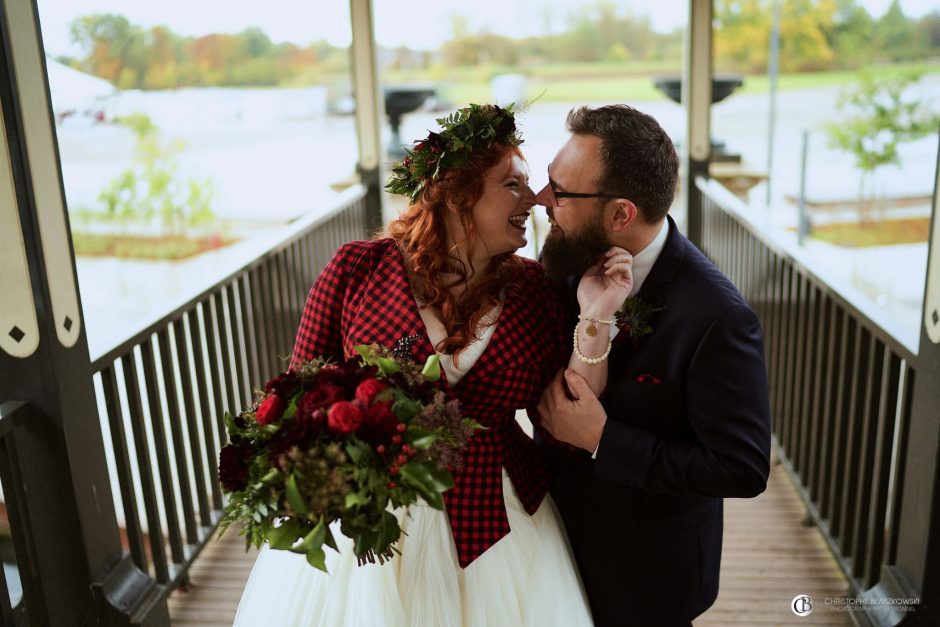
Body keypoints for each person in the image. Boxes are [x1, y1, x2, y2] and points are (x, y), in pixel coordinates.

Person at [233, 104, 619, 626]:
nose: (532, 199)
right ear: (458, 194)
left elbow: (571, 410)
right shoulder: (356, 270)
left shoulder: (535, 290)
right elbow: (299, 395)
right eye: (512, 184)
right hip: (374, 523)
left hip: (503, 516)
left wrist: (595, 316)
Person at [533, 104, 772, 627]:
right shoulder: (560, 265)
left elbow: (742, 467)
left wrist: (603, 439)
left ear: (621, 214)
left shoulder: (717, 318)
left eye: (561, 192)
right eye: (547, 181)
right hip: (546, 552)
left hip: (647, 577)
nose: (541, 200)